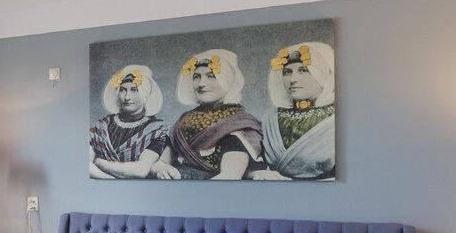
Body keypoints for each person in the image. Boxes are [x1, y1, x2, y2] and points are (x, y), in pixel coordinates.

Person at [169, 49, 262, 180]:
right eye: (196, 77)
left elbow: (229, 176)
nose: (201, 84)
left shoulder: (239, 123)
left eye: (211, 76)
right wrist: (160, 166)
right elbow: (163, 159)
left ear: (226, 80)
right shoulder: (183, 121)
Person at [252, 42, 336, 181]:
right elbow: (252, 165)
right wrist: (256, 174)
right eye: (287, 72)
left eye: (303, 70)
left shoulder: (337, 118)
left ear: (323, 74)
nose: (293, 79)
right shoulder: (270, 117)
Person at [89, 64, 176, 179]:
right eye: (122, 90)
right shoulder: (101, 126)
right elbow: (84, 164)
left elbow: (140, 170)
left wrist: (99, 162)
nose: (127, 97)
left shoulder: (157, 130)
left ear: (145, 94)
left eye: (134, 90)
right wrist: (110, 179)